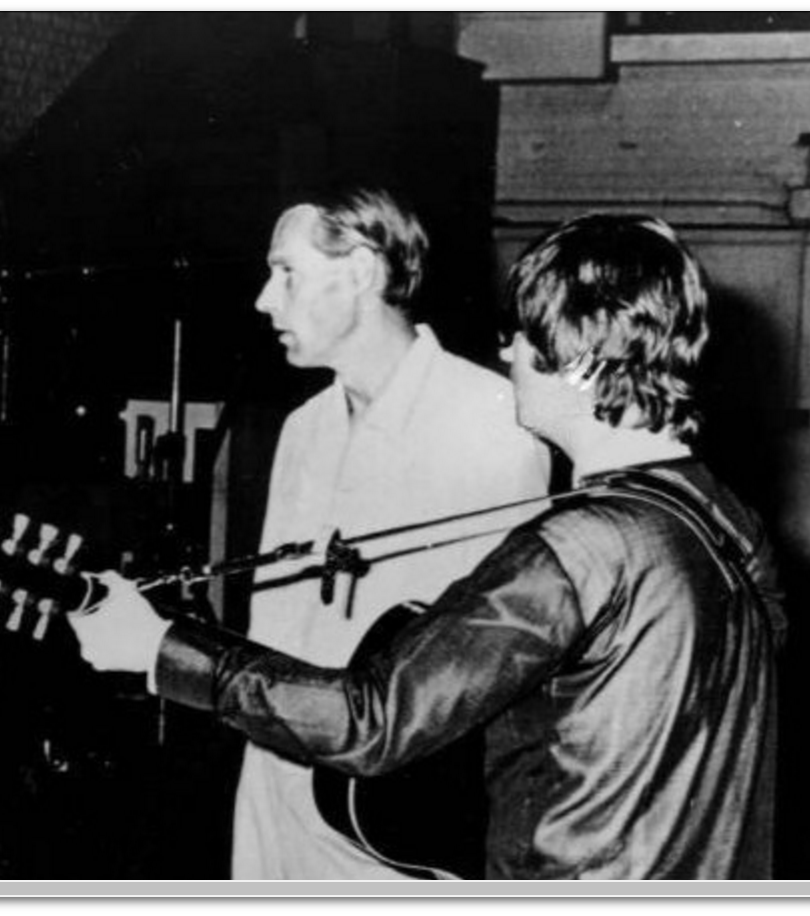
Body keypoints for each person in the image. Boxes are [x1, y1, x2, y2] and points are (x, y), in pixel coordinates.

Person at [73, 213, 785, 879]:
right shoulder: (728, 524)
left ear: (582, 357)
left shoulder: (575, 549)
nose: (507, 352)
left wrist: (161, 650)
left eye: (523, 334)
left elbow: (372, 721)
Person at [140, 187, 558, 879]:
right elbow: (273, 635)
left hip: (392, 832)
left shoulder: (490, 423)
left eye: (287, 273)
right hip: (276, 810)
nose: (264, 300)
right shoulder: (304, 429)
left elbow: (492, 678)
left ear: (362, 270)